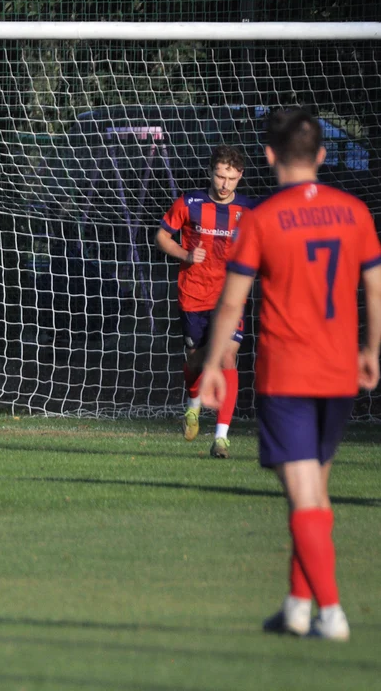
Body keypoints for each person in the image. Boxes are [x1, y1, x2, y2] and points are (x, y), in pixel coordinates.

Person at [200, 108, 381, 641]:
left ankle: (331, 611)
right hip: (339, 372)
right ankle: (298, 606)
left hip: (288, 376)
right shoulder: (354, 212)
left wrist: (213, 364)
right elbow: (374, 287)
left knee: (304, 497)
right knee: (314, 495)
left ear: (269, 155)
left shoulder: (262, 218)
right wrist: (372, 348)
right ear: (322, 156)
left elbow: (232, 303)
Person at [156, 145, 256, 457]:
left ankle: (221, 438)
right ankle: (193, 402)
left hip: (229, 296)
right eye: (219, 175)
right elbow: (161, 237)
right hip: (194, 294)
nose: (224, 183)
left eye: (231, 177)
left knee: (227, 357)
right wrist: (186, 254)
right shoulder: (190, 203)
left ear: (239, 176)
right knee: (196, 360)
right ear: (210, 172)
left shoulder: (249, 210)